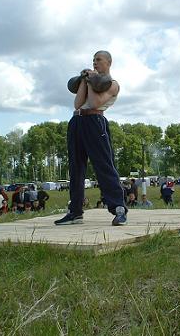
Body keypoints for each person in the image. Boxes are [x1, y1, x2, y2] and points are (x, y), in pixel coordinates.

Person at [55, 50, 127, 226]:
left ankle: (119, 209)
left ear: (108, 63)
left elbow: (95, 103)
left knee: (104, 166)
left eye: (99, 60)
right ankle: (75, 212)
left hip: (95, 121)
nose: (95, 63)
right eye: (93, 60)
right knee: (76, 168)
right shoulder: (91, 80)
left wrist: (91, 81)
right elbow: (78, 103)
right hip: (77, 121)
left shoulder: (112, 84)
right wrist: (84, 80)